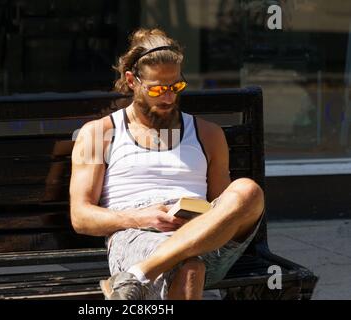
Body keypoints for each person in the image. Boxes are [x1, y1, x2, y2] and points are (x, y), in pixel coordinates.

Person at [69, 28, 264, 300]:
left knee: (248, 190)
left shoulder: (208, 134)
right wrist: (141, 217)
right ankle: (143, 270)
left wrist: (199, 218)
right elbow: (80, 217)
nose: (169, 97)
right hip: (137, 233)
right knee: (190, 267)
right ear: (132, 81)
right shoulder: (99, 133)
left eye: (176, 87)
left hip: (203, 234)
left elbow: (224, 206)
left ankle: (136, 276)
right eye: (158, 89)